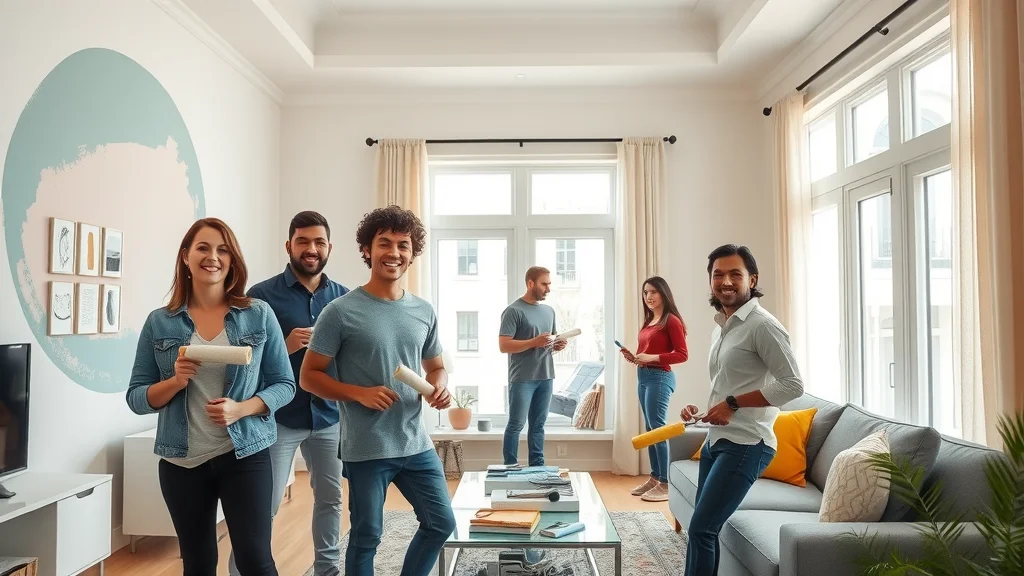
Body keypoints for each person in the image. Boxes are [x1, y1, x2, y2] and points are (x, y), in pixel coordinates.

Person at [126, 218, 295, 576]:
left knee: (256, 562)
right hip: (182, 463)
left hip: (244, 454)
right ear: (186, 257)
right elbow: (137, 397)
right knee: (199, 564)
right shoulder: (160, 323)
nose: (213, 257)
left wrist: (241, 409)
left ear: (232, 261)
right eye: (203, 248)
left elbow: (284, 384)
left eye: (223, 250)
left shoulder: (258, 315)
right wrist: (174, 381)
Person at [299, 205, 455, 576]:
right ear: (367, 250)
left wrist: (440, 387)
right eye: (384, 243)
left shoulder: (423, 310)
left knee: (441, 523)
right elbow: (309, 376)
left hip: (415, 441)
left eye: (403, 245)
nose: (394, 253)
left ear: (412, 254)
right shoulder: (340, 311)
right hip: (367, 446)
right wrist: (358, 393)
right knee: (367, 533)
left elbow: (437, 366)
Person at [227, 211, 349, 576]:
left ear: (329, 247)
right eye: (303, 241)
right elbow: (240, 361)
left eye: (319, 242)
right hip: (277, 418)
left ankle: (327, 570)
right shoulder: (260, 297)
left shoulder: (343, 298)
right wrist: (285, 344)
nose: (311, 249)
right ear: (289, 245)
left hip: (329, 416)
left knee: (331, 499)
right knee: (263, 505)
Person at [682, 244, 804, 576]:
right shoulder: (723, 326)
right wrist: (703, 408)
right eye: (718, 274)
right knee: (705, 528)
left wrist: (733, 404)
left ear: (752, 279)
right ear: (709, 281)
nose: (725, 281)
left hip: (747, 445)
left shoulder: (763, 325)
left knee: (701, 530)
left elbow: (792, 384)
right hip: (716, 441)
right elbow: (729, 384)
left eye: (735, 274)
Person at [619, 276, 688, 502]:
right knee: (650, 430)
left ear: (664, 294)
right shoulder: (650, 320)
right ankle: (656, 477)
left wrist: (652, 357)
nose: (648, 296)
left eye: (653, 292)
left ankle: (666, 484)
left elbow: (682, 354)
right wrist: (636, 357)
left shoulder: (671, 321)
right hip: (644, 375)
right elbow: (648, 351)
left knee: (657, 429)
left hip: (660, 377)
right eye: (645, 292)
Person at [498, 266, 567, 467]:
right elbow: (504, 346)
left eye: (549, 284)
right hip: (522, 379)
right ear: (530, 284)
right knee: (516, 424)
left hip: (546, 376)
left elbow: (547, 343)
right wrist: (532, 342)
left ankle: (537, 468)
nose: (548, 289)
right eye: (544, 284)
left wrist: (557, 345)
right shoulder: (513, 311)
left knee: (538, 426)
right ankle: (510, 467)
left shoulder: (549, 311)